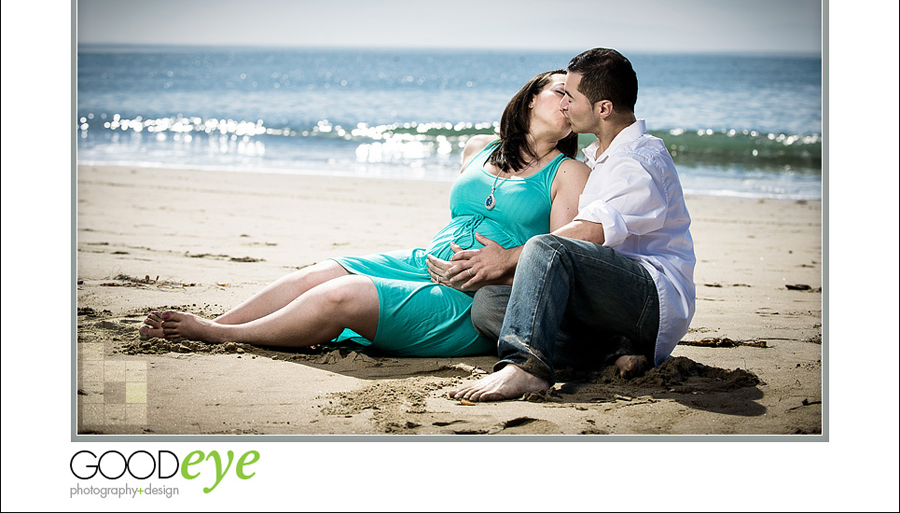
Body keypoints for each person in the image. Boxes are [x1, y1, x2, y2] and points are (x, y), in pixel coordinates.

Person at [140, 70, 590, 358]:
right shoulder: (479, 148)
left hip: (473, 298)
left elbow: (557, 261)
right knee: (321, 273)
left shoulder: (569, 172)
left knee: (344, 296)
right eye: (560, 92)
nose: (569, 103)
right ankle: (221, 323)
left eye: (576, 99)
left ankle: (220, 336)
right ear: (531, 97)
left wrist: (498, 266)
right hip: (423, 261)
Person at [431, 48, 696, 401]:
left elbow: (590, 232)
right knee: (490, 304)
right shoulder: (602, 155)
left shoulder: (639, 161)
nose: (564, 105)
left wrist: (507, 259)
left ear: (603, 108)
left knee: (546, 245)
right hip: (606, 297)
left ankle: (527, 368)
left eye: (571, 97)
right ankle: (611, 354)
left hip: (649, 300)